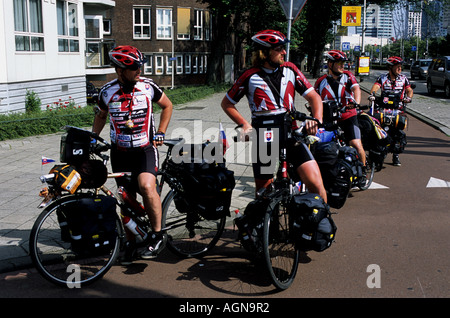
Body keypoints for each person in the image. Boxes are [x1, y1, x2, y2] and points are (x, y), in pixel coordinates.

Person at [221, 30, 327, 202]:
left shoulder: (290, 69)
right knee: (263, 194)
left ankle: (321, 225)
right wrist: (244, 124)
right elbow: (227, 103)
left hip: (291, 135)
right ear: (265, 52)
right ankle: (266, 226)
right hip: (264, 137)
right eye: (279, 49)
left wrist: (317, 119)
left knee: (316, 184)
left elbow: (314, 97)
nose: (284, 52)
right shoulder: (249, 76)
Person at [93, 45, 173, 264]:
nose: (139, 70)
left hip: (145, 149)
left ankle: (157, 235)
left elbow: (167, 106)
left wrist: (161, 132)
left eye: (140, 66)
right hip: (119, 152)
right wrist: (93, 138)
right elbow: (101, 116)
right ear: (120, 70)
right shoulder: (106, 92)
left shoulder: (148, 87)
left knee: (147, 186)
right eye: (134, 67)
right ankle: (131, 242)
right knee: (126, 200)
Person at [314, 49, 366, 166]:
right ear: (330, 64)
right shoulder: (320, 81)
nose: (343, 65)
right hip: (329, 119)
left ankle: (363, 171)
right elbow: (315, 99)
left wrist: (356, 103)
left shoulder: (348, 76)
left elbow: (356, 89)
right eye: (339, 63)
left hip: (348, 116)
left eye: (344, 63)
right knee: (319, 144)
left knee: (356, 144)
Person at [369, 56, 413, 166]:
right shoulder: (382, 78)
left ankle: (396, 155)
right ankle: (379, 150)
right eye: (397, 66)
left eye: (400, 66)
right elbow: (375, 87)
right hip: (384, 109)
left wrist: (409, 98)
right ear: (390, 67)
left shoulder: (403, 79)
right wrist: (372, 95)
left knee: (398, 131)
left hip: (398, 109)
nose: (400, 68)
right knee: (378, 129)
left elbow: (409, 90)